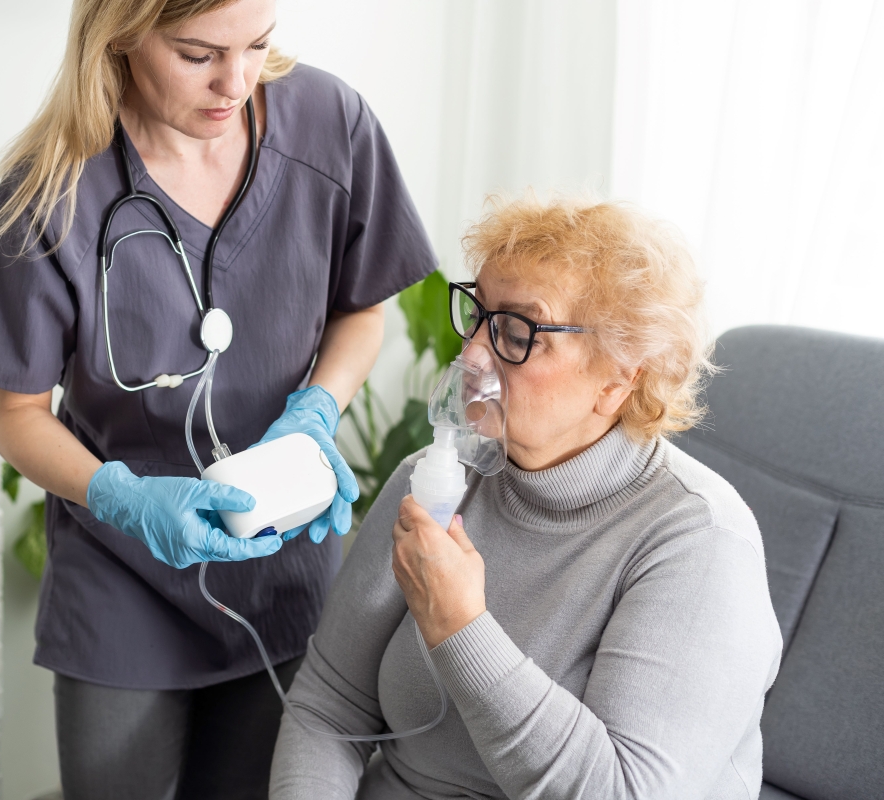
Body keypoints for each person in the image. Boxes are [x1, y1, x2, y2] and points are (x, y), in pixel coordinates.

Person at [0, 0, 436, 797]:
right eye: (198, 52)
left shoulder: (329, 121)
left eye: (258, 45)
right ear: (122, 32)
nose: (235, 81)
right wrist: (121, 495)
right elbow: (17, 415)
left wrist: (316, 412)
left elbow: (361, 310)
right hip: (121, 572)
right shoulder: (51, 188)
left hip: (280, 559)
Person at [270, 196, 783, 799]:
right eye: (479, 315)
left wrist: (460, 627)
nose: (471, 356)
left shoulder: (699, 544)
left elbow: (625, 792)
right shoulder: (436, 478)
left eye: (518, 332)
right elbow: (328, 708)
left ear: (619, 379)